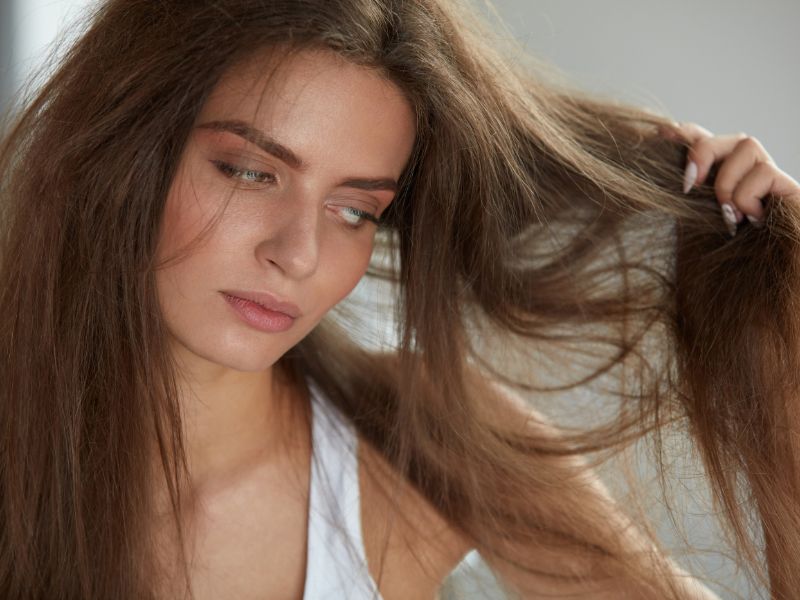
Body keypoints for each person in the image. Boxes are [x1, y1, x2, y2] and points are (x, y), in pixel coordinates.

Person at [0, 1, 797, 599]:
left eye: (355, 210)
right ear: (122, 152)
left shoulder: (422, 442)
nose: (299, 254)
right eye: (250, 171)